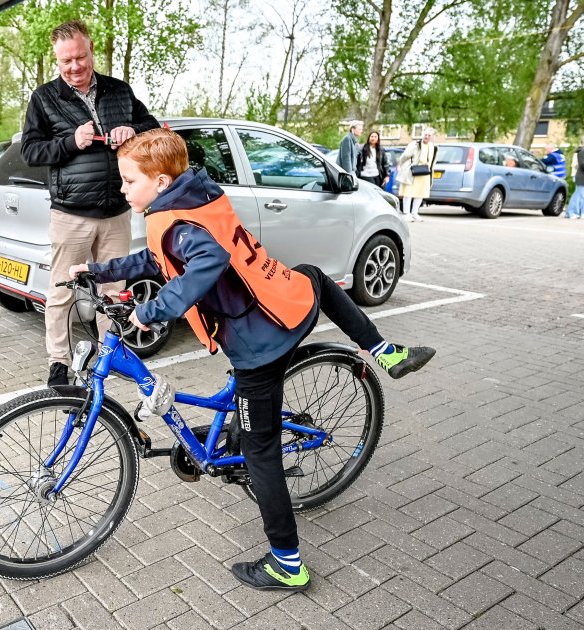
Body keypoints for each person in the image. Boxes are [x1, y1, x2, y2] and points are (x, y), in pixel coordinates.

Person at [70, 129, 435, 592]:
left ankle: (287, 563)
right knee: (315, 276)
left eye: (129, 181)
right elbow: (157, 259)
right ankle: (385, 351)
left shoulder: (182, 225)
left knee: (261, 452)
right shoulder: (190, 201)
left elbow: (205, 263)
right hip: (287, 302)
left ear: (160, 182)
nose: (122, 189)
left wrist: (152, 311)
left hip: (262, 342)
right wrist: (97, 270)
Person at [21, 19, 160, 388]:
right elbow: (30, 152)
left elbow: (153, 127)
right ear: (57, 60)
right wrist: (71, 142)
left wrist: (133, 131)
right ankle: (58, 362)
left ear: (91, 50)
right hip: (71, 214)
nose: (74, 67)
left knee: (113, 292)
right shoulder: (44, 98)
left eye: (80, 57)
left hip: (116, 213)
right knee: (62, 292)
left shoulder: (119, 91)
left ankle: (109, 357)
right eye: (65, 61)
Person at [397, 127, 437, 222]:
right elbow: (405, 156)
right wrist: (401, 165)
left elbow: (433, 161)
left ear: (432, 137)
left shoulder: (433, 147)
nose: (426, 137)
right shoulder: (414, 144)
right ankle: (406, 213)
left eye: (429, 135)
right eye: (425, 134)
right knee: (408, 193)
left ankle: (415, 213)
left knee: (420, 193)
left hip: (425, 172)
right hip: (413, 171)